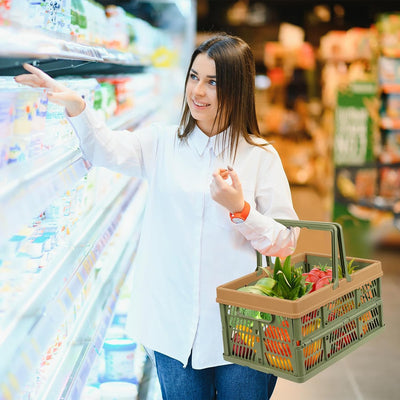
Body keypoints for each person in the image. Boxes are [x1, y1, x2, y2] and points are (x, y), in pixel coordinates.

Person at [15, 33, 299, 400]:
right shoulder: (163, 143)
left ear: (238, 88)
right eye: (194, 77)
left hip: (241, 330)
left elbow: (286, 241)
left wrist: (240, 210)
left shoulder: (260, 156)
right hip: (171, 328)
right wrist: (76, 106)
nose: (198, 91)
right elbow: (106, 150)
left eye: (213, 82)